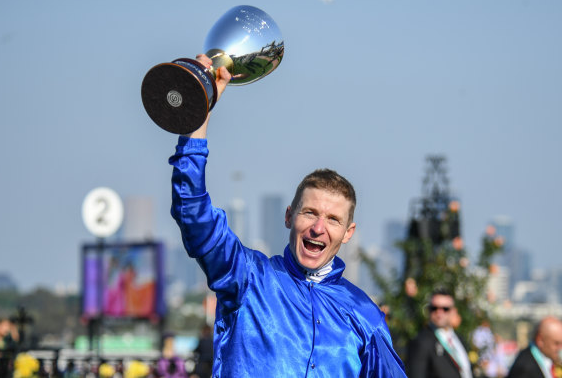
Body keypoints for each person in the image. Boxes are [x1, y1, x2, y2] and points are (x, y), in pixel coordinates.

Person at [168, 54, 406, 377]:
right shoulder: (249, 279)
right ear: (288, 216)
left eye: (333, 219)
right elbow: (194, 215)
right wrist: (200, 109)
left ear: (348, 233)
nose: (318, 228)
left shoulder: (366, 316)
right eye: (309, 213)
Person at [405, 289, 473, 378]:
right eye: (434, 308)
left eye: (445, 309)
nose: (439, 312)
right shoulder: (421, 342)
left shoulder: (460, 339)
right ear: (429, 310)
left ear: (453, 311)